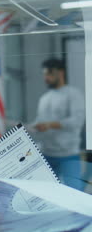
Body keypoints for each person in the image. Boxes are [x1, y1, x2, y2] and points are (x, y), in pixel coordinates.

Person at [31, 58, 85, 190]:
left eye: (49, 73)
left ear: (60, 73)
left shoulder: (73, 94)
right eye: (44, 74)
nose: (46, 77)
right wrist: (31, 127)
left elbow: (77, 120)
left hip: (68, 156)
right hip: (46, 155)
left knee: (74, 193)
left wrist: (49, 125)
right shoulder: (44, 98)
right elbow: (40, 121)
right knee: (46, 194)